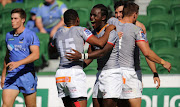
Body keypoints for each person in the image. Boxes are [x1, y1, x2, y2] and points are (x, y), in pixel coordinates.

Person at [52, 9, 116, 107]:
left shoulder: (57, 33)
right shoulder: (81, 30)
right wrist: (108, 30)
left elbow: (53, 47)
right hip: (74, 74)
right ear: (77, 19)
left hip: (60, 74)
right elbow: (100, 43)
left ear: (64, 21)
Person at [115, 3, 171, 107]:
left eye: (120, 12)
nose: (118, 15)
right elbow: (147, 52)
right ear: (135, 14)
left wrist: (154, 72)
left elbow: (146, 52)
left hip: (127, 72)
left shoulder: (137, 27)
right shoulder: (116, 26)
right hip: (128, 73)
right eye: (116, 12)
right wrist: (163, 62)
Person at [66, 4, 122, 107]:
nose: (91, 18)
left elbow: (103, 52)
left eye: (94, 16)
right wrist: (76, 68)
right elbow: (91, 55)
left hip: (112, 75)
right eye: (91, 15)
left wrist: (81, 56)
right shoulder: (94, 33)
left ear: (103, 17)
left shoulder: (111, 32)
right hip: (100, 74)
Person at [1, 8, 40, 107]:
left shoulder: (30, 35)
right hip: (12, 76)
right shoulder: (8, 35)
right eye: (11, 18)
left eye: (15, 18)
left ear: (23, 20)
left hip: (26, 75)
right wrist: (3, 75)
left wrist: (18, 63)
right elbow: (7, 56)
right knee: (5, 105)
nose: (12, 21)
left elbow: (36, 55)